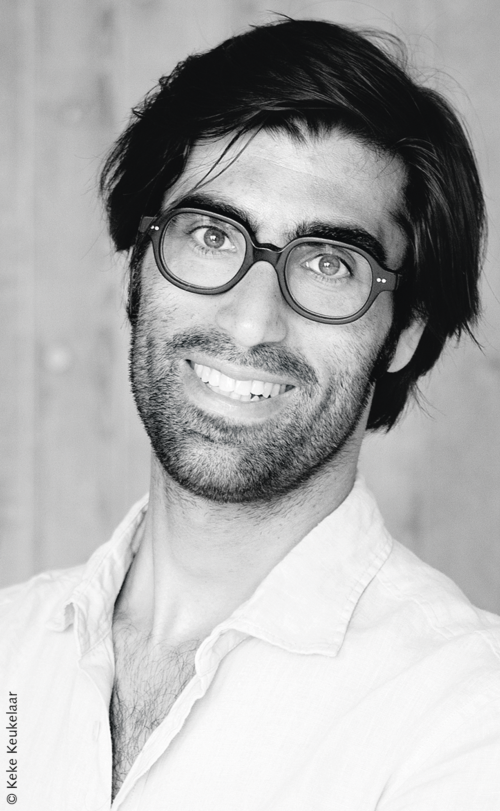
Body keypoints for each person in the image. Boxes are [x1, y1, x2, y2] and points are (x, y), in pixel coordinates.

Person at [1, 17, 499, 811]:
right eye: (209, 234)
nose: (250, 321)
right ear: (139, 268)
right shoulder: (12, 647)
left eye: (330, 262)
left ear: (404, 331)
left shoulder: (467, 715)